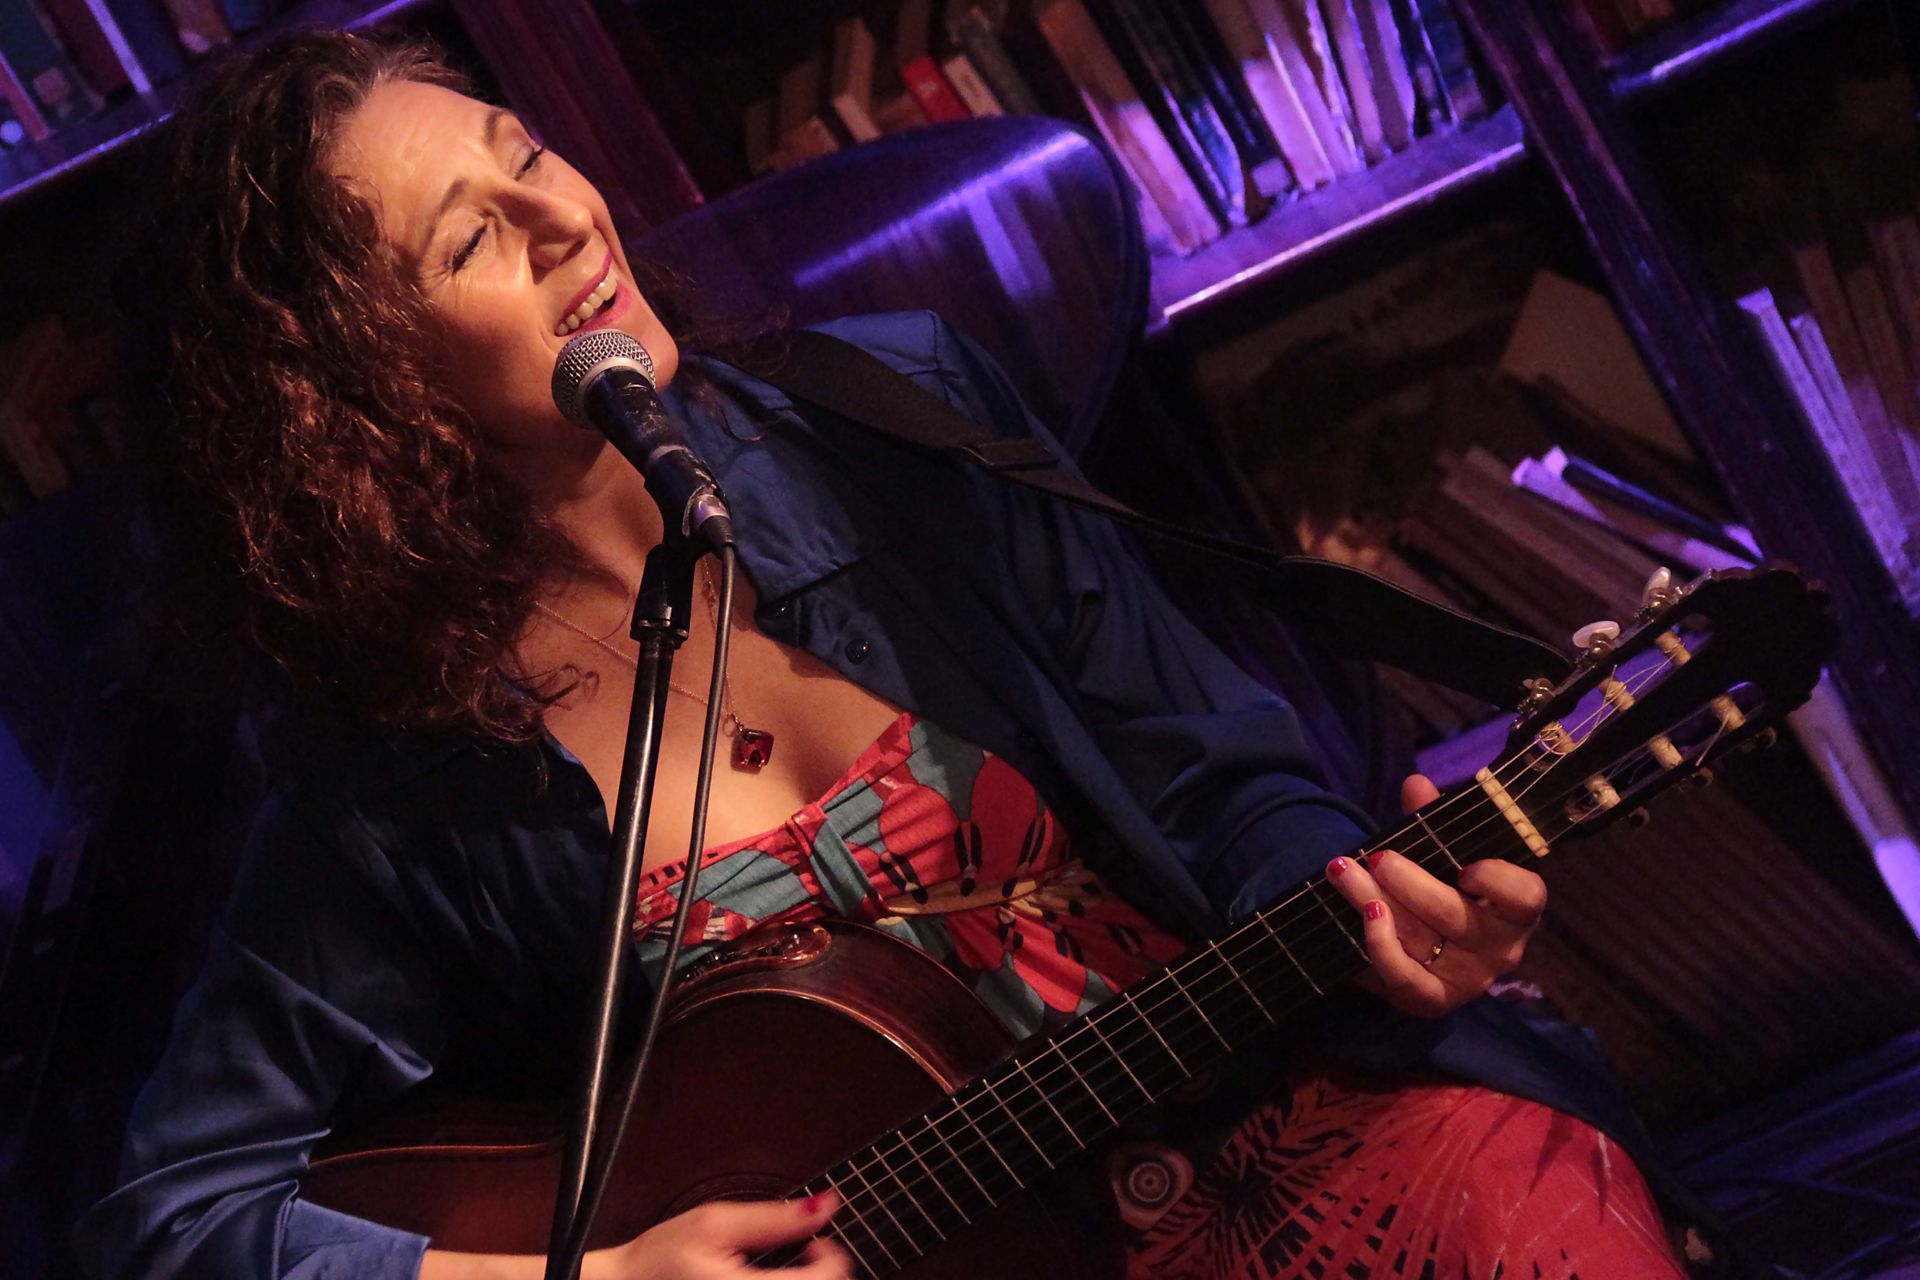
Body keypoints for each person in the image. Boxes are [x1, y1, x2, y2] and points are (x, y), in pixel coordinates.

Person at [73, 28, 1701, 1280]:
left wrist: (1373, 913)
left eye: (533, 154)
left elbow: (1224, 776)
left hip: (1282, 1114)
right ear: (356, 408)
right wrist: (595, 1276)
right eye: (469, 242)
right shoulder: (396, 788)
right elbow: (169, 1220)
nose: (566, 216)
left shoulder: (894, 415)